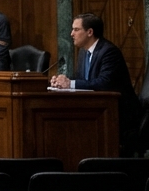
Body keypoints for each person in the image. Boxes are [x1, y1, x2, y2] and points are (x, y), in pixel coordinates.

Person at [50, 13, 141, 143]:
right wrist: (61, 82)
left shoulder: (109, 52)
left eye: (76, 29)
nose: (71, 34)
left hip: (119, 113)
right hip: (96, 109)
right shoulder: (83, 52)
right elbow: (85, 80)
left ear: (90, 32)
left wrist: (70, 84)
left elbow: (103, 83)